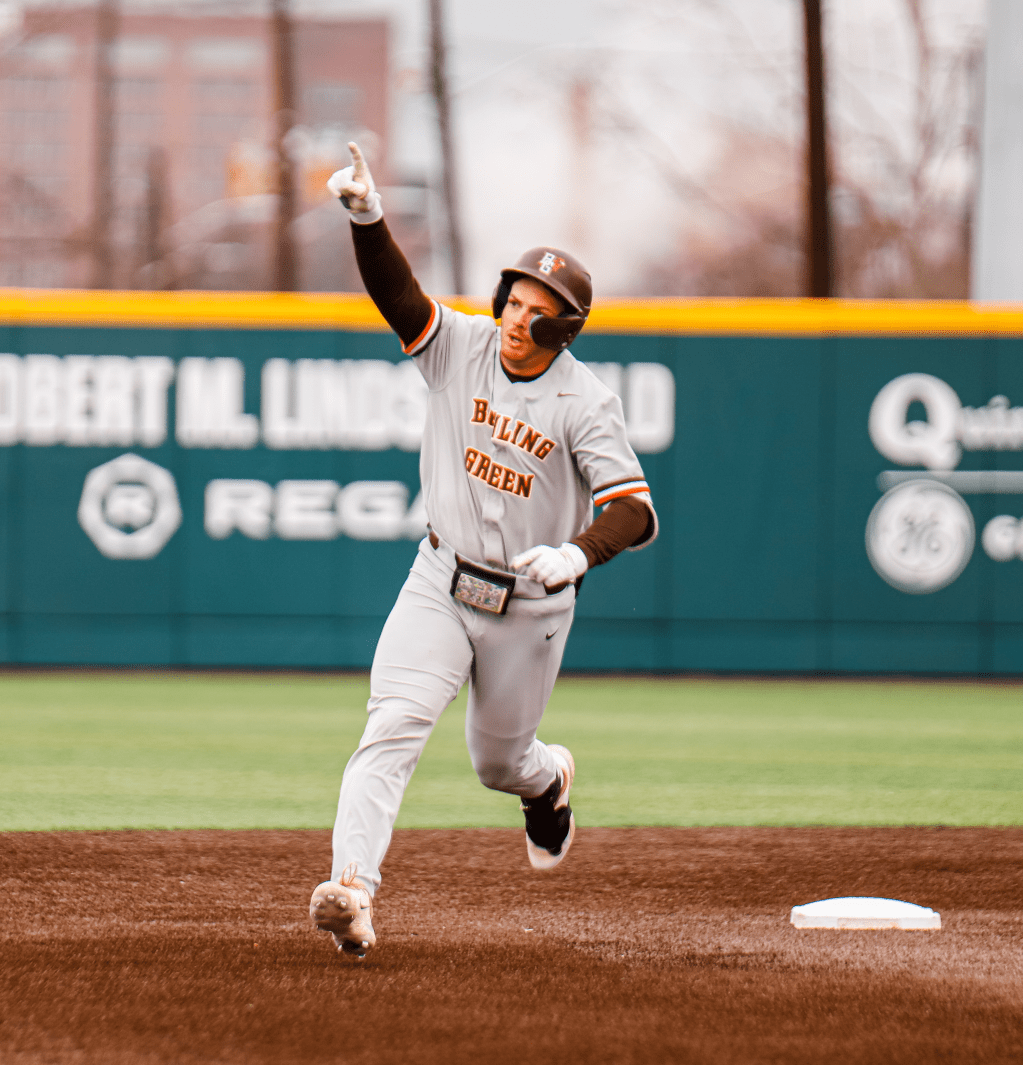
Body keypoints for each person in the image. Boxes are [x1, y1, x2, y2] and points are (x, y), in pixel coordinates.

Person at [309, 143, 659, 959]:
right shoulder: (462, 346)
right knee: (391, 726)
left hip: (528, 606)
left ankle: (548, 781)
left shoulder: (585, 402)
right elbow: (402, 301)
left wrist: (576, 555)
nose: (513, 318)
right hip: (440, 576)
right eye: (511, 299)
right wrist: (368, 218)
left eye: (535, 310)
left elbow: (633, 511)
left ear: (562, 327)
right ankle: (351, 889)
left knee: (497, 764)